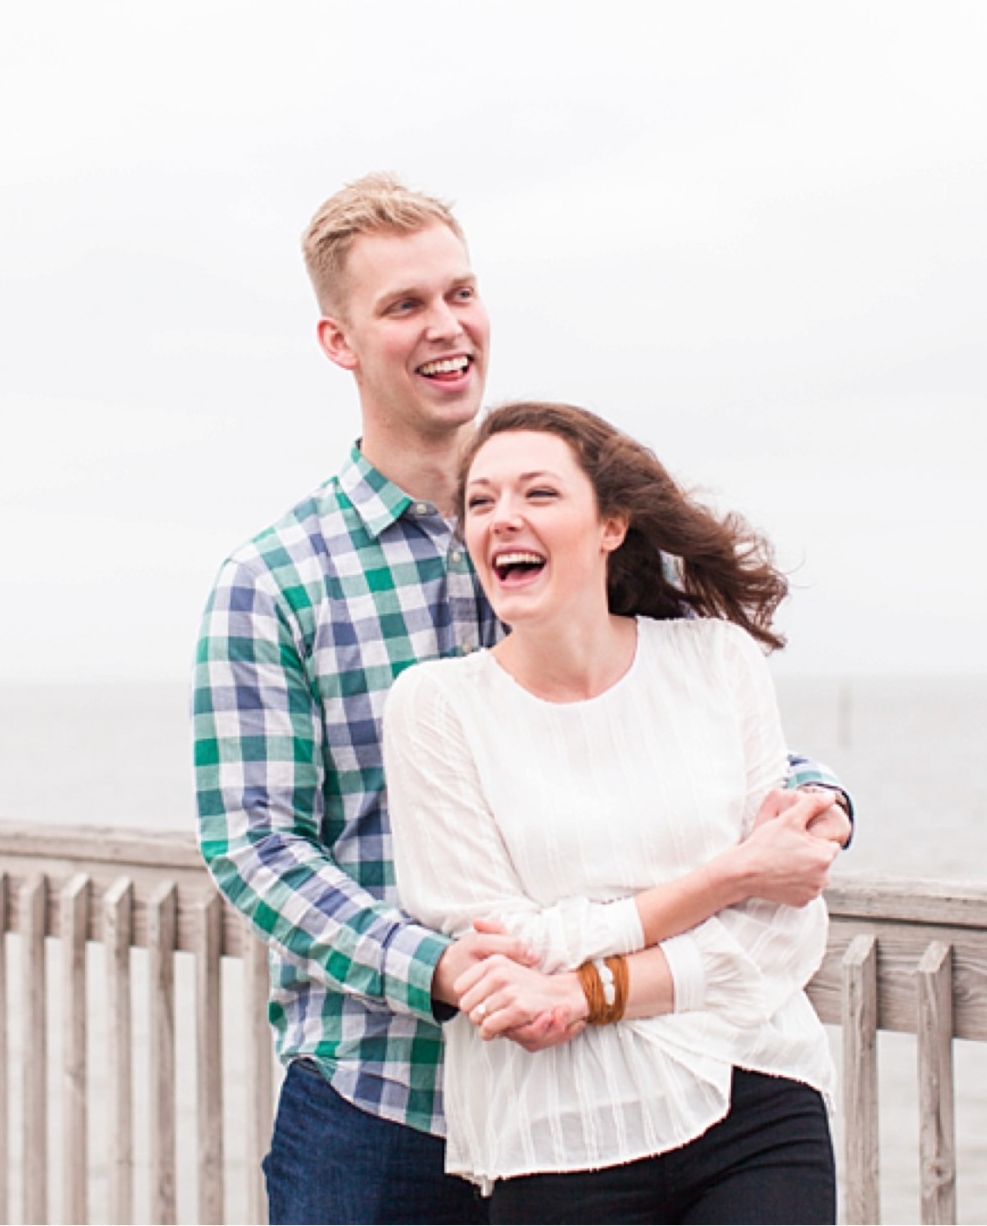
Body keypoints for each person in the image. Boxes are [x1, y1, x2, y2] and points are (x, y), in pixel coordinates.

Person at [193, 175, 854, 1224]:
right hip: (382, 1096)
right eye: (403, 305)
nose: (445, 325)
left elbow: (684, 705)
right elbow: (256, 846)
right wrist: (444, 968)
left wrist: (813, 797)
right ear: (338, 341)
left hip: (610, 1086)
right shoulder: (276, 581)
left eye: (459, 291)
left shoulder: (558, 504)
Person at [384, 401, 841, 1224]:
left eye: (538, 494)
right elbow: (502, 950)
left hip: (754, 1091)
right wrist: (728, 876)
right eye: (481, 502)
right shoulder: (437, 707)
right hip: (562, 1130)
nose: (503, 519)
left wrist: (588, 990)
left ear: (611, 525)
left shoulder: (714, 660)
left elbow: (784, 927)